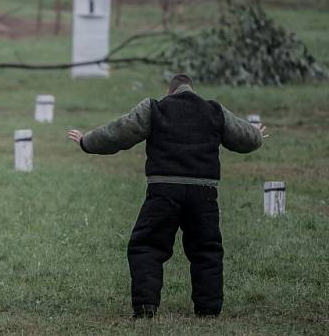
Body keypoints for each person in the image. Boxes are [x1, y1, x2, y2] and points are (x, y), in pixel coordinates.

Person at [67, 74, 266, 318]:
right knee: (207, 250)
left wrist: (86, 141)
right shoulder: (214, 110)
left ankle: (145, 307)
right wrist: (256, 135)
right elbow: (245, 137)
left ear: (169, 91)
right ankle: (208, 310)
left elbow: (118, 133)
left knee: (147, 246)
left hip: (163, 191)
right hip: (203, 192)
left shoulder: (155, 108)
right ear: (192, 89)